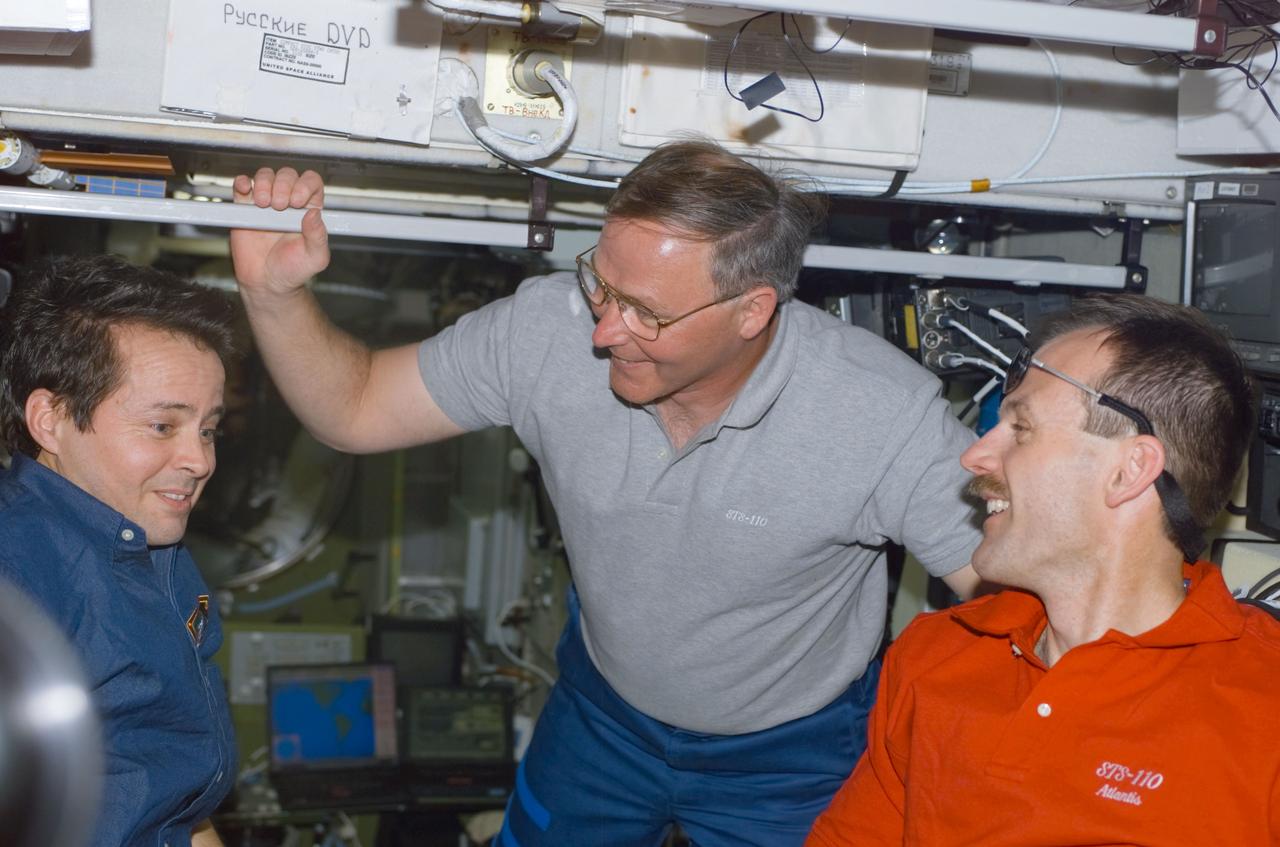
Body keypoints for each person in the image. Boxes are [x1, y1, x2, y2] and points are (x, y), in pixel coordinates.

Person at [229, 140, 982, 845]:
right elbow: (355, 406)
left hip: (791, 753)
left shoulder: (881, 414)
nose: (604, 331)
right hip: (604, 717)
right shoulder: (546, 332)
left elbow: (1007, 595)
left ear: (751, 310)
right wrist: (273, 296)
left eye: (647, 313)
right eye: (601, 282)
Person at [807, 293, 1280, 846]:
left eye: (1021, 427)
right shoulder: (934, 656)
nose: (974, 456)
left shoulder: (1262, 711)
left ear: (1130, 471)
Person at [0, 255, 238, 847]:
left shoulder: (150, 538)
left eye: (208, 429)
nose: (201, 460)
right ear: (50, 419)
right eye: (163, 426)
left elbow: (176, 805)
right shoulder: (15, 580)